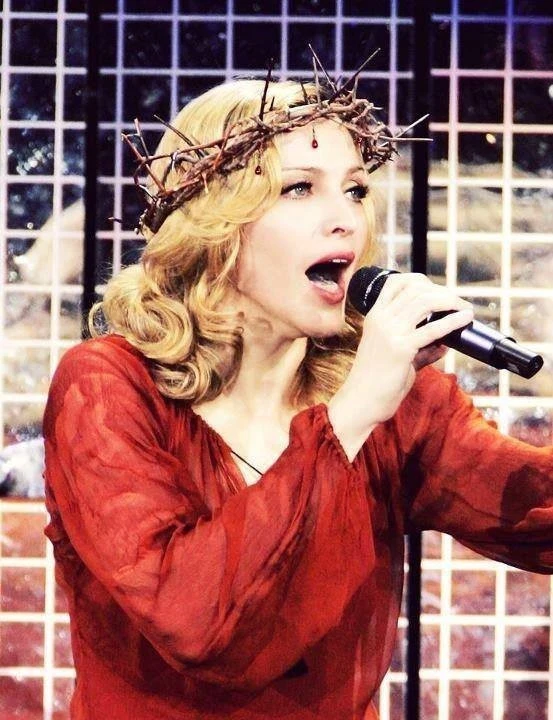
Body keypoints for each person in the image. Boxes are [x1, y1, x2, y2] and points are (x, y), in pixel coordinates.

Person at [43, 70, 553, 720]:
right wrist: (351, 418)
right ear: (215, 223)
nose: (345, 220)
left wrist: (365, 404)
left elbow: (534, 513)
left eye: (355, 190)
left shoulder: (393, 399)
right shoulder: (106, 388)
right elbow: (195, 621)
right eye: (299, 188)